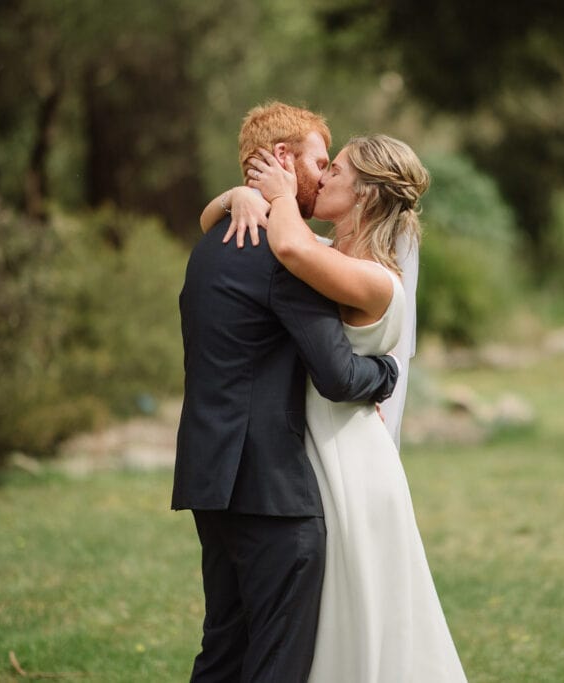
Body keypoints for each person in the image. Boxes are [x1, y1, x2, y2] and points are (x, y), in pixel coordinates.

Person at [200, 134, 467, 682]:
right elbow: (214, 228)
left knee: (358, 620)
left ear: (366, 195)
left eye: (336, 171)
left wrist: (274, 197)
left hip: (351, 464)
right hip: (310, 456)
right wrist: (238, 198)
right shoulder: (325, 254)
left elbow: (291, 250)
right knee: (320, 627)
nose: (322, 178)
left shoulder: (374, 278)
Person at [173, 101, 400, 683]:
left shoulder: (211, 247)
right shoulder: (283, 258)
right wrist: (388, 375)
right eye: (320, 162)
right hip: (273, 494)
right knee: (278, 661)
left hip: (210, 482)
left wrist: (234, 196)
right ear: (281, 159)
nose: (324, 176)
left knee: (222, 652)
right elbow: (340, 376)